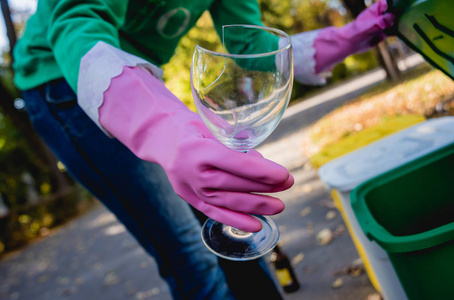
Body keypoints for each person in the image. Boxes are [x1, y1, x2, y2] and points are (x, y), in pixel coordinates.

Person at [12, 0, 394, 299]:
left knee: (232, 235)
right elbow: (77, 23)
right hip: (65, 82)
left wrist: (350, 36)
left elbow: (255, 48)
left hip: (144, 81)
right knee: (188, 253)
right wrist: (163, 130)